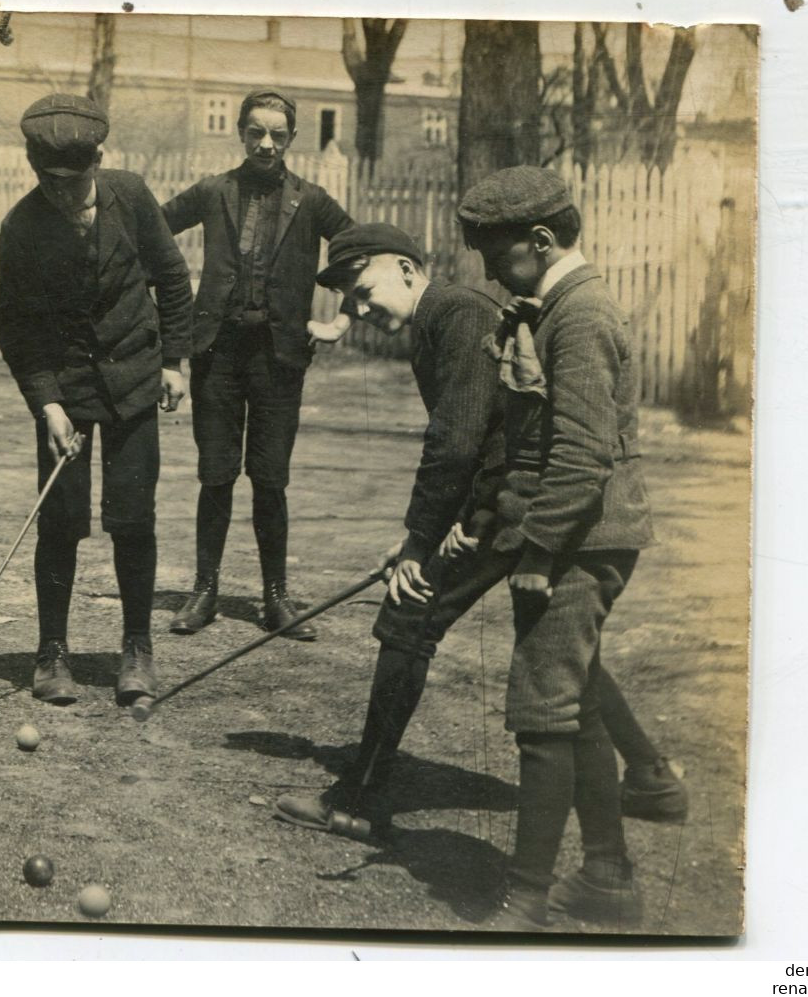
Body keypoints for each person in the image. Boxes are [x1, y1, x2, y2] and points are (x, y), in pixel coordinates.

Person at [274, 223, 685, 845]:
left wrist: (422, 540)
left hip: (515, 504)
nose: (358, 310)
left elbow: (457, 440)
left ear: (407, 269)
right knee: (561, 646)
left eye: (363, 291)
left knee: (408, 618)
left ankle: (357, 799)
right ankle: (652, 777)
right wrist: (429, 531)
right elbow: (483, 432)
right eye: (349, 302)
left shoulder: (456, 314)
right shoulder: (440, 318)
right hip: (502, 501)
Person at [457, 166, 659, 929]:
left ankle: (524, 899)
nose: (484, 272)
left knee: (540, 709)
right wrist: (516, 325)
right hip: (579, 530)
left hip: (579, 536)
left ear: (539, 242)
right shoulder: (554, 306)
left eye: (495, 255)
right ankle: (605, 878)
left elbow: (580, 453)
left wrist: (537, 553)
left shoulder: (581, 317)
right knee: (571, 708)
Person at [0, 93, 193, 706]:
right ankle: (52, 652)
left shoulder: (130, 196)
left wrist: (175, 361)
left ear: (98, 161)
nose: (62, 194)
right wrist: (47, 404)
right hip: (67, 389)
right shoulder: (22, 227)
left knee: (133, 518)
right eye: (48, 183)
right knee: (61, 520)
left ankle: (137, 649)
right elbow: (18, 330)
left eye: (74, 181)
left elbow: (173, 279)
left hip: (135, 376)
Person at [161, 89, 353, 640]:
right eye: (255, 133)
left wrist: (339, 322)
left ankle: (275, 600)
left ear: (292, 139)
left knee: (270, 480)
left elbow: (369, 250)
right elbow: (152, 232)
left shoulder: (312, 200)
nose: (266, 144)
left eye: (277, 134)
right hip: (217, 354)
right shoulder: (215, 191)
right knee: (216, 475)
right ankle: (204, 592)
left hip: (279, 360)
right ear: (241, 134)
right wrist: (170, 312)